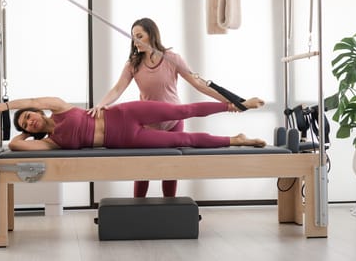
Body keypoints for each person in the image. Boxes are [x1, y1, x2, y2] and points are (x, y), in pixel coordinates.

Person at [87, 17, 264, 197]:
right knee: (142, 170)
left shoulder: (172, 59)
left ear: (151, 35)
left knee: (170, 170)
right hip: (148, 124)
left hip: (173, 121)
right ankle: (138, 210)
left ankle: (169, 207)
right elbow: (118, 88)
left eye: (139, 36)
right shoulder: (133, 64)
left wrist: (233, 103)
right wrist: (101, 104)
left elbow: (199, 84)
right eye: (133, 37)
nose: (135, 41)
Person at [0, 97, 266, 151]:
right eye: (25, 124)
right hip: (124, 139)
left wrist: (6, 107)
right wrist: (16, 132)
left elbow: (34, 97)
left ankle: (235, 105)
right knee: (184, 140)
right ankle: (237, 140)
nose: (30, 121)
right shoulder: (49, 143)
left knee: (182, 110)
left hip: (124, 114)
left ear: (36, 110)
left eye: (28, 115)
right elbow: (14, 145)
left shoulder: (58, 107)